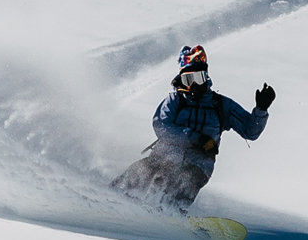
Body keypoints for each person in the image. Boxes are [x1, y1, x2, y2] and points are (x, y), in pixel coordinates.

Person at [111, 44, 276, 212]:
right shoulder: (175, 100)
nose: (195, 84)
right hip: (164, 156)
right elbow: (161, 126)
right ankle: (109, 198)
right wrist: (195, 138)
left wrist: (261, 110)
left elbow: (250, 131)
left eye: (199, 77)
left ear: (206, 77)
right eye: (189, 79)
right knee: (139, 172)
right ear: (182, 79)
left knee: (187, 181)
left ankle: (172, 212)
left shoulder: (220, 105)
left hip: (198, 164)